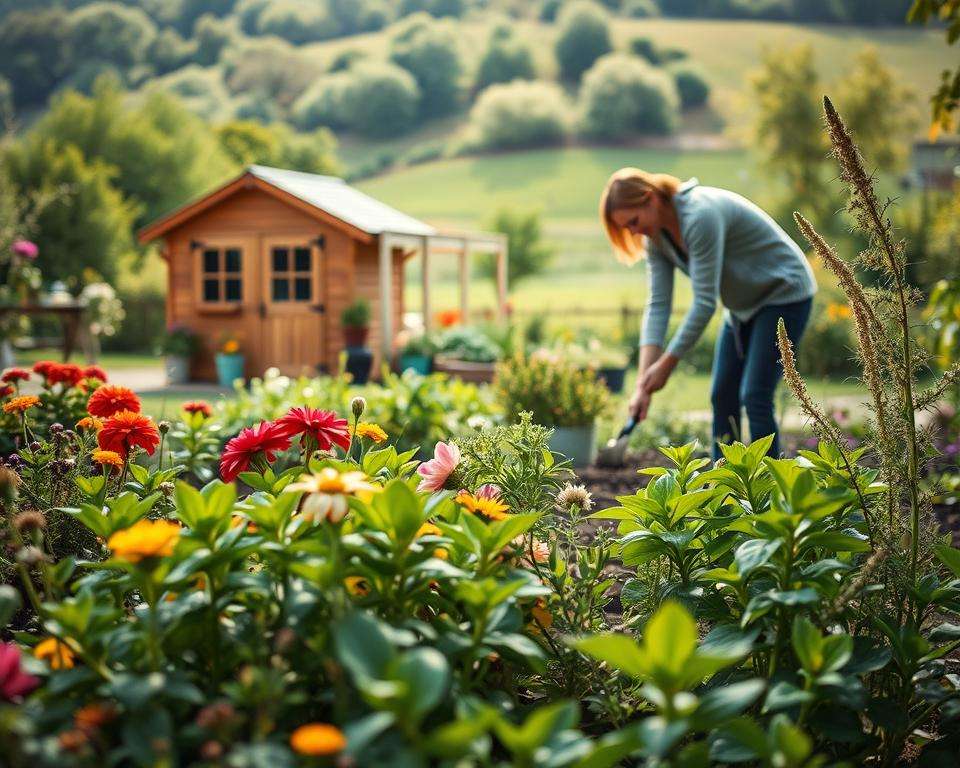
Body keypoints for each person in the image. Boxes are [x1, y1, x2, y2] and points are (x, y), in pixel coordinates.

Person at [599, 168, 816, 458]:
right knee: (722, 395)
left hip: (784, 293)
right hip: (742, 306)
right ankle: (723, 481)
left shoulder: (700, 216)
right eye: (627, 229)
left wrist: (666, 366)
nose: (633, 233)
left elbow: (704, 303)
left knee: (755, 395)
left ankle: (771, 480)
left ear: (651, 199)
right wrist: (642, 385)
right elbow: (658, 305)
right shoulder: (656, 240)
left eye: (634, 222)